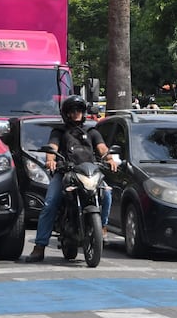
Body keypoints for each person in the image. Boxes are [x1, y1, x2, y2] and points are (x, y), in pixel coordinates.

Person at [25, 95, 118, 263]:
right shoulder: (59, 132)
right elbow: (52, 147)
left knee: (108, 195)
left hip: (90, 172)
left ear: (84, 113)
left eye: (79, 111)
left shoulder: (92, 132)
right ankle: (39, 247)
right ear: (66, 114)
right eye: (72, 111)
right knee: (50, 203)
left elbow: (102, 148)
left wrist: (109, 159)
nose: (76, 114)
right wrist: (50, 160)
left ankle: (101, 228)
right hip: (66, 173)